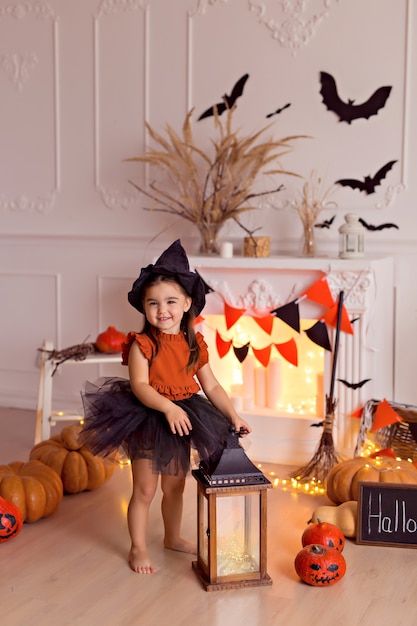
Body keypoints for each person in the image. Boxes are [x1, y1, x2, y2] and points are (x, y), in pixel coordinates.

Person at [81, 240, 251, 574]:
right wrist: (169, 408)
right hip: (149, 416)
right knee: (144, 489)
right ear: (144, 307)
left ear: (187, 303)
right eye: (154, 303)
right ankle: (138, 547)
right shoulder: (141, 344)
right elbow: (141, 386)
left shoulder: (194, 344)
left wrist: (233, 414)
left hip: (185, 417)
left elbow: (212, 385)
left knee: (175, 486)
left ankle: (171, 536)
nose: (163, 310)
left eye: (171, 301)